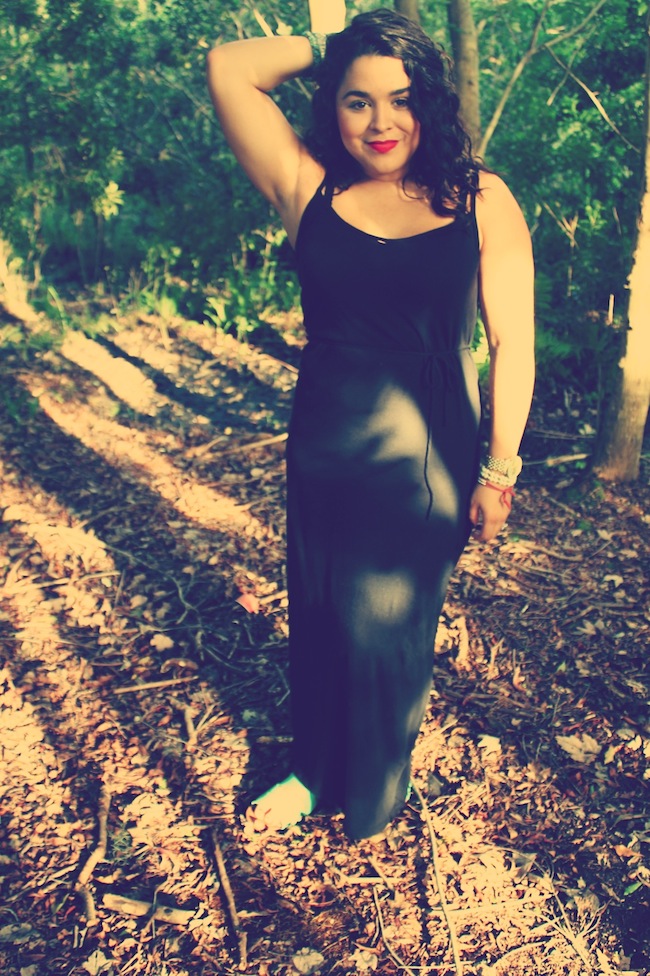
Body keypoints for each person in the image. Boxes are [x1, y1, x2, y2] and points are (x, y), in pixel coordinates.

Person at [207, 4, 535, 841]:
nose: (381, 121)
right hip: (327, 440)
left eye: (401, 98)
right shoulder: (307, 185)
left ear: (429, 101)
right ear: (334, 104)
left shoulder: (481, 197)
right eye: (358, 100)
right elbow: (229, 67)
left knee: (389, 624)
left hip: (430, 447)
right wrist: (339, 45)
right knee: (322, 608)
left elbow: (513, 343)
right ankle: (311, 771)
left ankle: (376, 789)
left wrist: (500, 472)